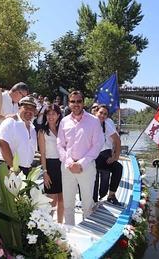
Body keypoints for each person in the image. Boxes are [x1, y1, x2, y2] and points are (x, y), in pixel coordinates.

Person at [57, 91, 104, 225]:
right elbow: (60, 144)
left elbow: (98, 144)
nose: (76, 104)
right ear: (69, 103)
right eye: (73, 101)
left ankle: (86, 231)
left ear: (83, 103)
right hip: (67, 167)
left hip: (87, 167)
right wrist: (69, 162)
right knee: (68, 204)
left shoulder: (94, 121)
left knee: (87, 204)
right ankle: (70, 231)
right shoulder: (64, 121)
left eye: (79, 101)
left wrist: (81, 163)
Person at [0, 96, 38, 175]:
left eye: (32, 109)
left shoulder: (33, 129)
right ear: (19, 108)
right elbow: (2, 143)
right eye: (25, 107)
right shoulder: (10, 122)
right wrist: (13, 167)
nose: (29, 111)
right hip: (8, 167)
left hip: (24, 170)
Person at [38, 104, 64, 223]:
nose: (50, 116)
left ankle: (60, 225)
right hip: (50, 165)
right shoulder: (42, 131)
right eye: (48, 114)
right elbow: (42, 154)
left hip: (62, 165)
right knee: (52, 199)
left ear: (58, 115)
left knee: (62, 198)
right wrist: (45, 172)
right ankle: (48, 225)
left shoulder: (62, 131)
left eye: (53, 113)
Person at [93, 105, 124, 205]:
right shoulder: (89, 123)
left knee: (118, 168)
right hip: (90, 157)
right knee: (94, 181)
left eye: (105, 114)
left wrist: (115, 157)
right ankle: (90, 199)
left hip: (102, 156)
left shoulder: (106, 124)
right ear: (96, 112)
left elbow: (117, 140)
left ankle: (111, 195)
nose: (102, 115)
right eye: (101, 113)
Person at [0, 82, 29, 156]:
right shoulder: (0, 97)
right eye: (23, 96)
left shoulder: (16, 104)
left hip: (8, 141)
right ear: (17, 92)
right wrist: (5, 117)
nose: (23, 99)